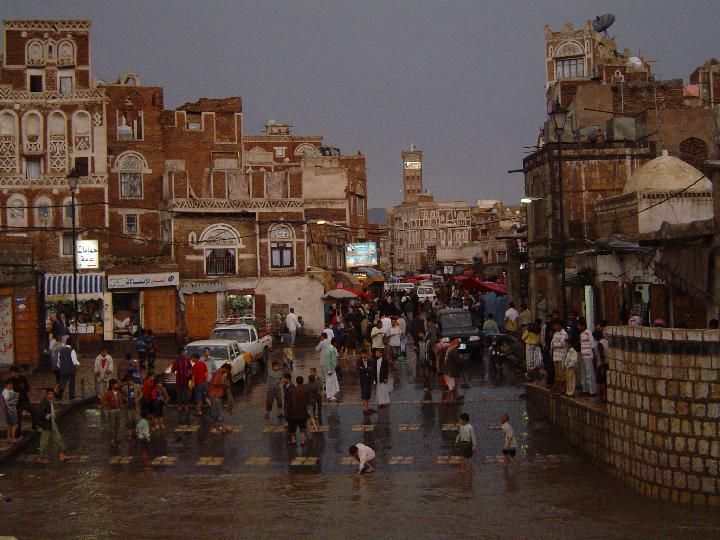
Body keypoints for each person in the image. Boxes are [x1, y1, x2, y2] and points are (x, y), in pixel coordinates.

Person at [37, 387, 71, 464]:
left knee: (58, 439)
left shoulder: (51, 401)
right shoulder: (44, 402)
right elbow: (39, 413)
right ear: (46, 394)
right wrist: (49, 416)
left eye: (52, 394)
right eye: (50, 394)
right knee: (44, 442)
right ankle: (41, 458)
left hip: (52, 424)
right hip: (46, 425)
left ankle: (62, 454)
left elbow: (59, 396)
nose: (51, 395)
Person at [9, 366, 34, 436]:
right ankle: (18, 431)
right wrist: (19, 388)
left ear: (16, 372)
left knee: (34, 412)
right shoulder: (11, 380)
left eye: (13, 372)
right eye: (11, 373)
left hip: (25, 400)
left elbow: (28, 388)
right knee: (18, 417)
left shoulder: (23, 378)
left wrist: (24, 388)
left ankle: (34, 427)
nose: (12, 374)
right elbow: (11, 390)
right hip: (17, 402)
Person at [171, 348, 193, 423]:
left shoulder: (187, 359)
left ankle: (186, 405)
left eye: (184, 352)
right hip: (179, 379)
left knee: (186, 393)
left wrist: (189, 373)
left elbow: (190, 368)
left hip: (186, 379)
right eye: (183, 352)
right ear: (180, 353)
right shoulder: (176, 360)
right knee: (179, 393)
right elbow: (173, 370)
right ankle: (179, 405)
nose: (184, 354)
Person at [208, 363, 231, 434]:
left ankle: (219, 428)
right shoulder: (218, 374)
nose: (227, 372)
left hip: (216, 395)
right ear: (225, 369)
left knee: (216, 412)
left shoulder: (220, 374)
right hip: (215, 395)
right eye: (227, 371)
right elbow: (215, 383)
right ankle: (221, 428)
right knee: (218, 412)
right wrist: (224, 384)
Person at [287, 376, 309, 446]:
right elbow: (308, 401)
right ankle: (302, 440)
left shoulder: (291, 390)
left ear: (296, 382)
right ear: (303, 381)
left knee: (292, 428)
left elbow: (289, 403)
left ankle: (293, 440)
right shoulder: (306, 390)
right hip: (302, 412)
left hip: (293, 413)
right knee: (302, 427)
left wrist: (287, 413)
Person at [578, 319, 597, 396]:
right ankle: (585, 389)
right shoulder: (581, 334)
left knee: (589, 373)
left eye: (579, 326)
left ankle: (592, 391)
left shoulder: (588, 333)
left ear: (583, 326)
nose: (578, 327)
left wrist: (595, 355)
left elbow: (592, 345)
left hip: (588, 355)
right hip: (583, 355)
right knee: (584, 373)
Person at [100, 379, 122, 447]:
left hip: (118, 410)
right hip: (112, 411)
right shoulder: (108, 393)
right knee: (112, 425)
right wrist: (108, 405)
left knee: (117, 425)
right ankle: (112, 440)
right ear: (112, 385)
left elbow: (120, 401)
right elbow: (103, 400)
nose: (117, 385)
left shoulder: (118, 392)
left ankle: (116, 438)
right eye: (116, 384)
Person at [121, 375, 142, 440]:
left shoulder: (138, 386)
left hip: (136, 406)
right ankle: (129, 434)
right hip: (128, 406)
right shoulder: (124, 388)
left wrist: (137, 399)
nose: (130, 382)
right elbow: (123, 395)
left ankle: (138, 432)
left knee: (137, 419)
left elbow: (141, 394)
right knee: (129, 420)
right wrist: (125, 399)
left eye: (132, 381)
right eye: (129, 381)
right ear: (127, 381)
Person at [443, 339, 462, 404]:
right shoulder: (454, 352)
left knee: (452, 385)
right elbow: (457, 361)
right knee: (451, 387)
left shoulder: (449, 350)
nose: (459, 345)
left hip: (447, 371)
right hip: (450, 372)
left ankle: (455, 397)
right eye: (458, 344)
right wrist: (463, 359)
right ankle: (449, 400)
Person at [357, 348, 376, 415]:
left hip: (369, 379)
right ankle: (365, 409)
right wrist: (367, 369)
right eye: (362, 354)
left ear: (367, 354)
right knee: (364, 393)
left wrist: (364, 369)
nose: (363, 355)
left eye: (364, 354)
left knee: (368, 393)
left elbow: (371, 369)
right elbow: (360, 369)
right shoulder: (359, 361)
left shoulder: (370, 361)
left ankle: (368, 407)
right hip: (363, 379)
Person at [550, 321, 568, 392]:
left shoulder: (564, 333)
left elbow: (561, 344)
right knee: (557, 373)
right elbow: (552, 343)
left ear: (559, 325)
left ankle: (563, 388)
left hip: (562, 356)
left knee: (562, 373)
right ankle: (558, 387)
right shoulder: (555, 333)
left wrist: (555, 344)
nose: (555, 327)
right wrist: (555, 344)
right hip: (555, 356)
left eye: (556, 325)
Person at [593, 329, 609, 403]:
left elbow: (602, 356)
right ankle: (605, 397)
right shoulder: (607, 341)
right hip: (607, 363)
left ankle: (599, 398)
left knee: (599, 382)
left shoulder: (599, 344)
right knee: (604, 381)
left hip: (601, 365)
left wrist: (601, 367)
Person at [2, 379, 19, 443]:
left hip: (11, 408)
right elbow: (6, 401)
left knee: (10, 424)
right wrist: (10, 408)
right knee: (13, 424)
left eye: (11, 385)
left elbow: (14, 399)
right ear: (6, 385)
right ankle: (12, 438)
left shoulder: (10, 390)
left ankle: (8, 438)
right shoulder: (5, 391)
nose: (11, 386)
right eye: (9, 385)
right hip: (10, 409)